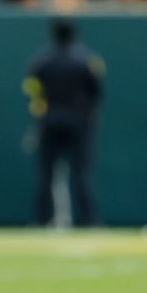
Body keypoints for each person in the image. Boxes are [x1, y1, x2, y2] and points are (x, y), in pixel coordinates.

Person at [23, 18, 104, 227]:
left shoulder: (42, 61)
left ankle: (42, 219)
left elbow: (32, 89)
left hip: (50, 120)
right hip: (79, 122)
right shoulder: (86, 61)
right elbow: (96, 92)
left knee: (46, 174)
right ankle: (89, 220)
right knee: (82, 173)